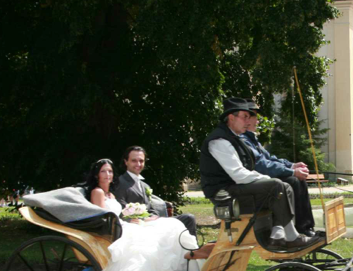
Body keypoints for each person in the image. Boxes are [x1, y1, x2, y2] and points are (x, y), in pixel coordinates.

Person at [85, 158, 202, 271]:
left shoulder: (110, 194)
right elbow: (104, 218)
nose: (108, 175)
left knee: (171, 227)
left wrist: (135, 217)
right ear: (97, 175)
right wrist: (127, 221)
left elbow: (118, 214)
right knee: (154, 240)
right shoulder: (97, 192)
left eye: (110, 171)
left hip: (124, 223)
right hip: (116, 229)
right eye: (104, 171)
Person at [200, 97, 321, 251]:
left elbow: (261, 162)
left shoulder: (235, 138)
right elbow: (239, 174)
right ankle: (291, 237)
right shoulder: (219, 141)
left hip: (235, 188)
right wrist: (268, 179)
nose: (248, 120)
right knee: (276, 185)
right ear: (231, 117)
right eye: (245, 116)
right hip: (225, 194)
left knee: (285, 186)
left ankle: (278, 236)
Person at [240, 109, 318, 237]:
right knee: (293, 181)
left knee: (297, 180)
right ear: (247, 121)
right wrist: (292, 171)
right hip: (255, 183)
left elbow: (270, 158)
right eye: (255, 118)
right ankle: (299, 228)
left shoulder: (252, 140)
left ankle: (305, 226)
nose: (258, 121)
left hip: (262, 179)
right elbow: (262, 166)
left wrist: (292, 165)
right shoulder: (245, 141)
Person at [114, 146, 197, 236]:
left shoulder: (145, 185)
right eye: (134, 161)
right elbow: (120, 208)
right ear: (126, 162)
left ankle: (192, 250)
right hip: (136, 225)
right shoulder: (120, 182)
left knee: (188, 218)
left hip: (152, 221)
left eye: (141, 161)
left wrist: (154, 217)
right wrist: (141, 220)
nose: (138, 164)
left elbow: (150, 208)